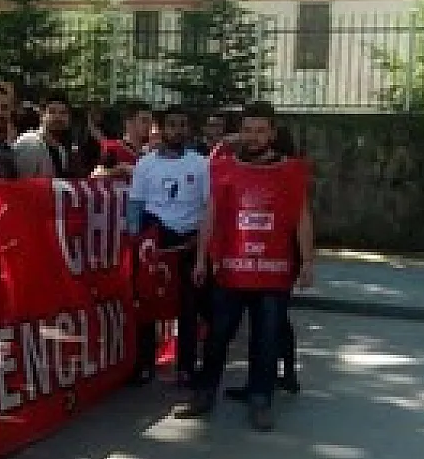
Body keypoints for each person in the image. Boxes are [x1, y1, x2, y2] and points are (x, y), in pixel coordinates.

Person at [174, 102, 313, 431]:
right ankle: (204, 394)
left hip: (274, 273)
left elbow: (302, 217)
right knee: (217, 335)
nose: (253, 137)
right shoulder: (222, 167)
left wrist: (308, 261)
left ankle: (261, 398)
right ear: (240, 132)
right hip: (231, 270)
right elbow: (210, 215)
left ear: (273, 133)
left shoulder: (292, 171)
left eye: (260, 130)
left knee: (266, 339)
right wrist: (201, 258)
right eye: (248, 130)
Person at [126, 106, 210, 385]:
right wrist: (135, 242)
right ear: (160, 129)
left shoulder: (201, 164)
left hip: (187, 244)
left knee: (188, 308)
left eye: (182, 124)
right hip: (154, 245)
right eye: (171, 125)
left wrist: (202, 247)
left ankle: (186, 367)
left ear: (189, 129)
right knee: (147, 305)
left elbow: (209, 208)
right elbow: (135, 206)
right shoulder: (145, 164)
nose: (177, 130)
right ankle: (144, 364)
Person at [13, 92, 72, 178]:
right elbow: (23, 181)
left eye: (63, 113)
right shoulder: (29, 143)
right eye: (52, 112)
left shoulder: (61, 150)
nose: (58, 117)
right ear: (42, 115)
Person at [97, 102, 153, 179]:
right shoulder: (112, 148)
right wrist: (119, 170)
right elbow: (97, 174)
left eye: (150, 122)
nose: (149, 125)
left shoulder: (153, 152)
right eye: (144, 121)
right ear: (129, 122)